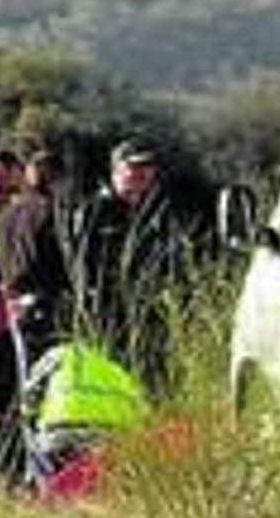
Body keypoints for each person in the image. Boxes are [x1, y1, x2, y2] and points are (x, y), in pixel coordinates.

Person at [72, 139, 204, 390]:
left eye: (148, 167)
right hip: (108, 320)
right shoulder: (92, 212)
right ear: (116, 171)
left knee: (160, 385)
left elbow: (172, 261)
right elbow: (80, 270)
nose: (142, 173)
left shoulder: (158, 210)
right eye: (134, 167)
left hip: (152, 318)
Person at [0, 148, 74, 358]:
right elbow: (62, 262)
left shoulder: (3, 214)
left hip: (7, 305)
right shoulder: (54, 213)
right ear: (58, 179)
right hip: (44, 306)